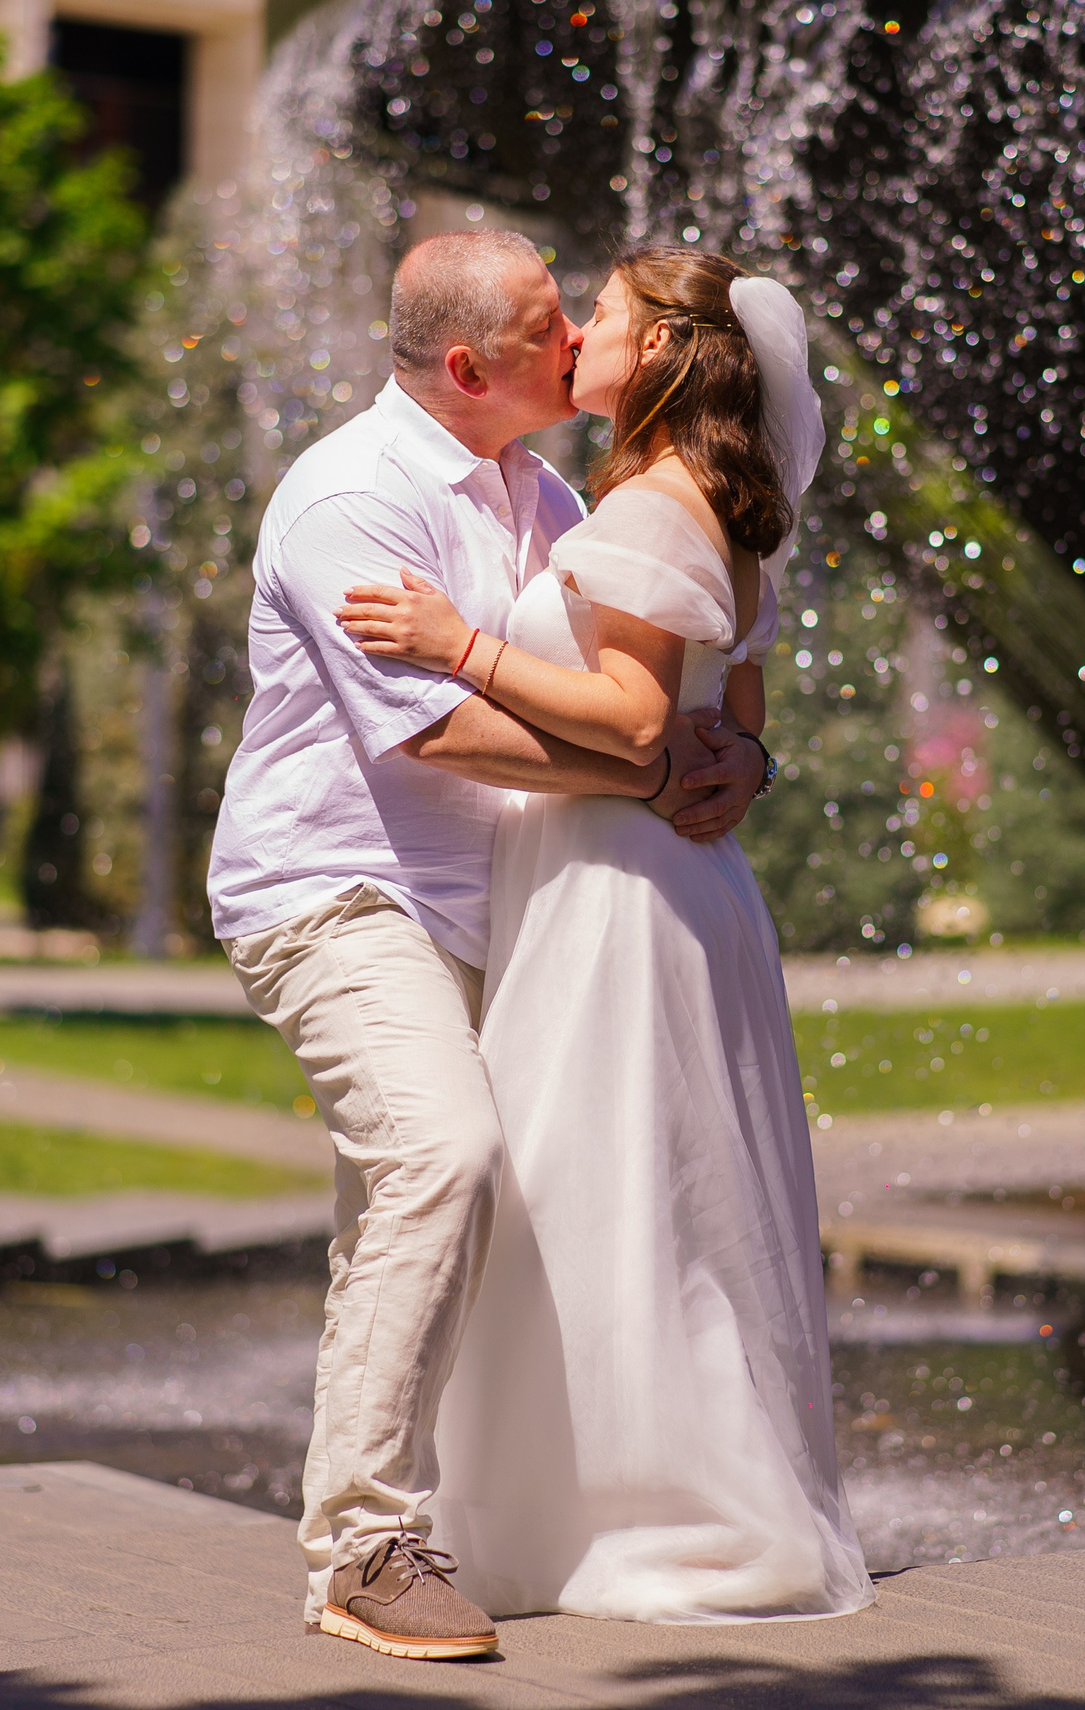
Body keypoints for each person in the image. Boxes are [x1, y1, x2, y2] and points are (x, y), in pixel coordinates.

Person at [207, 228, 765, 1662]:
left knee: (410, 1206)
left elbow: (656, 662)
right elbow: (443, 727)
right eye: (544, 326)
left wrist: (742, 756)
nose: (577, 341)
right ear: (468, 367)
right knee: (442, 1155)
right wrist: (650, 768)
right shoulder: (346, 500)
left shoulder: (552, 488)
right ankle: (364, 1549)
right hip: (340, 890)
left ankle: (440, 1510)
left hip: (503, 897)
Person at [336, 247, 873, 1624]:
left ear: (668, 356)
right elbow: (727, 717)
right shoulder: (727, 509)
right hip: (681, 888)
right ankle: (628, 1503)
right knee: (659, 1200)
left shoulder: (645, 511)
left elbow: (637, 726)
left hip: (617, 892)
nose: (581, 331)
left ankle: (631, 1523)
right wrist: (747, 766)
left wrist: (458, 643)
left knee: (603, 1195)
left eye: (611, 317)